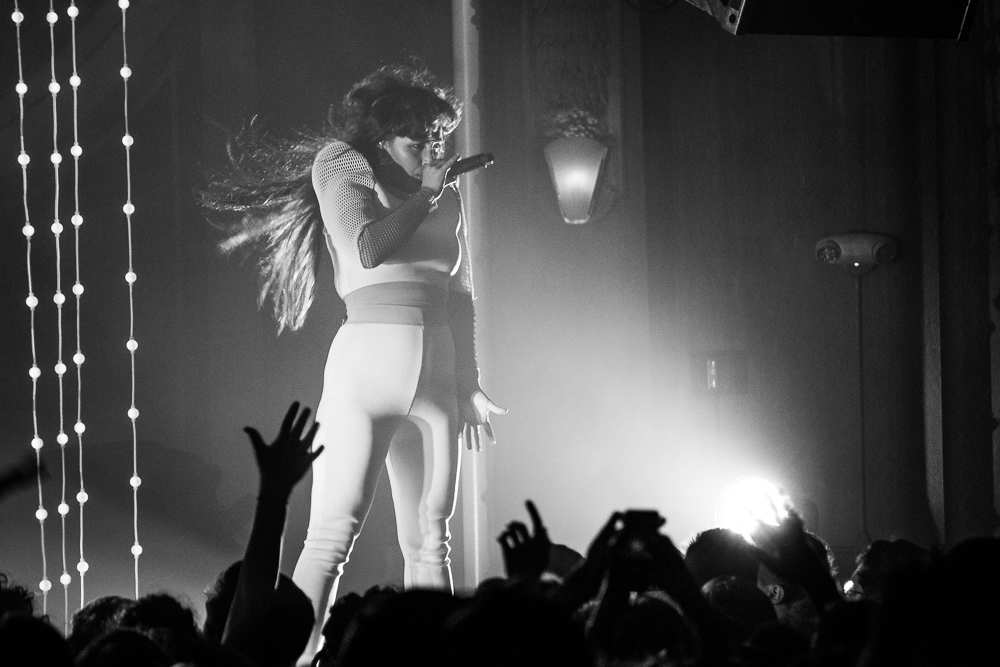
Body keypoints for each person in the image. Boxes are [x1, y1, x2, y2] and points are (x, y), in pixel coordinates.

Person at [201, 63, 505, 658]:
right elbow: (368, 249)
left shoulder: (442, 194)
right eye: (416, 141)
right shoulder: (343, 165)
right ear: (381, 135)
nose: (429, 152)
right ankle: (289, 657)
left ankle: (438, 655)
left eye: (436, 141)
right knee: (333, 532)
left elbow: (459, 292)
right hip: (366, 370)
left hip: (439, 375)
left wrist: (469, 382)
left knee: (430, 538)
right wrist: (426, 194)